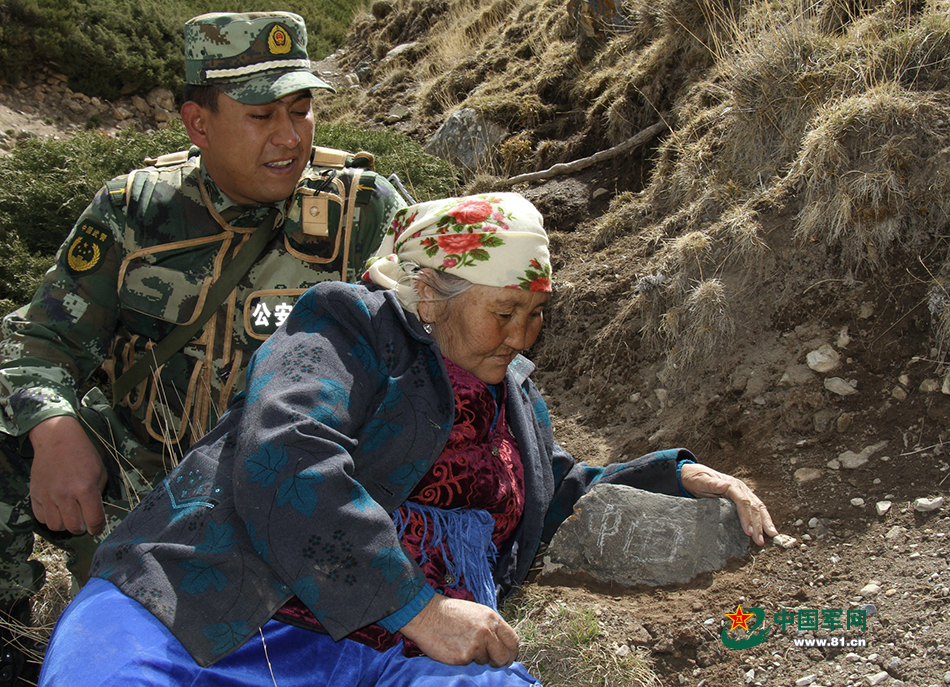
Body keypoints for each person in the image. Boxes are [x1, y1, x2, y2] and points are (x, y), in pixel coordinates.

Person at [37, 192, 776, 686]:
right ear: (430, 293)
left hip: (374, 655)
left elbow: (555, 491)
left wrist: (675, 475)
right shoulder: (344, 327)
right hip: (201, 605)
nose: (522, 336)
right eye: (505, 310)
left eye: (536, 312)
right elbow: (284, 451)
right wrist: (418, 608)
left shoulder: (510, 393)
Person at [0, 11, 408, 684]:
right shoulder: (137, 212)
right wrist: (52, 425)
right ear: (198, 123)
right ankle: (15, 639)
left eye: (301, 111)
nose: (289, 137)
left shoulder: (362, 213)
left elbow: (439, 349)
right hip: (146, 499)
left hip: (303, 505)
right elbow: (35, 339)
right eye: (260, 115)